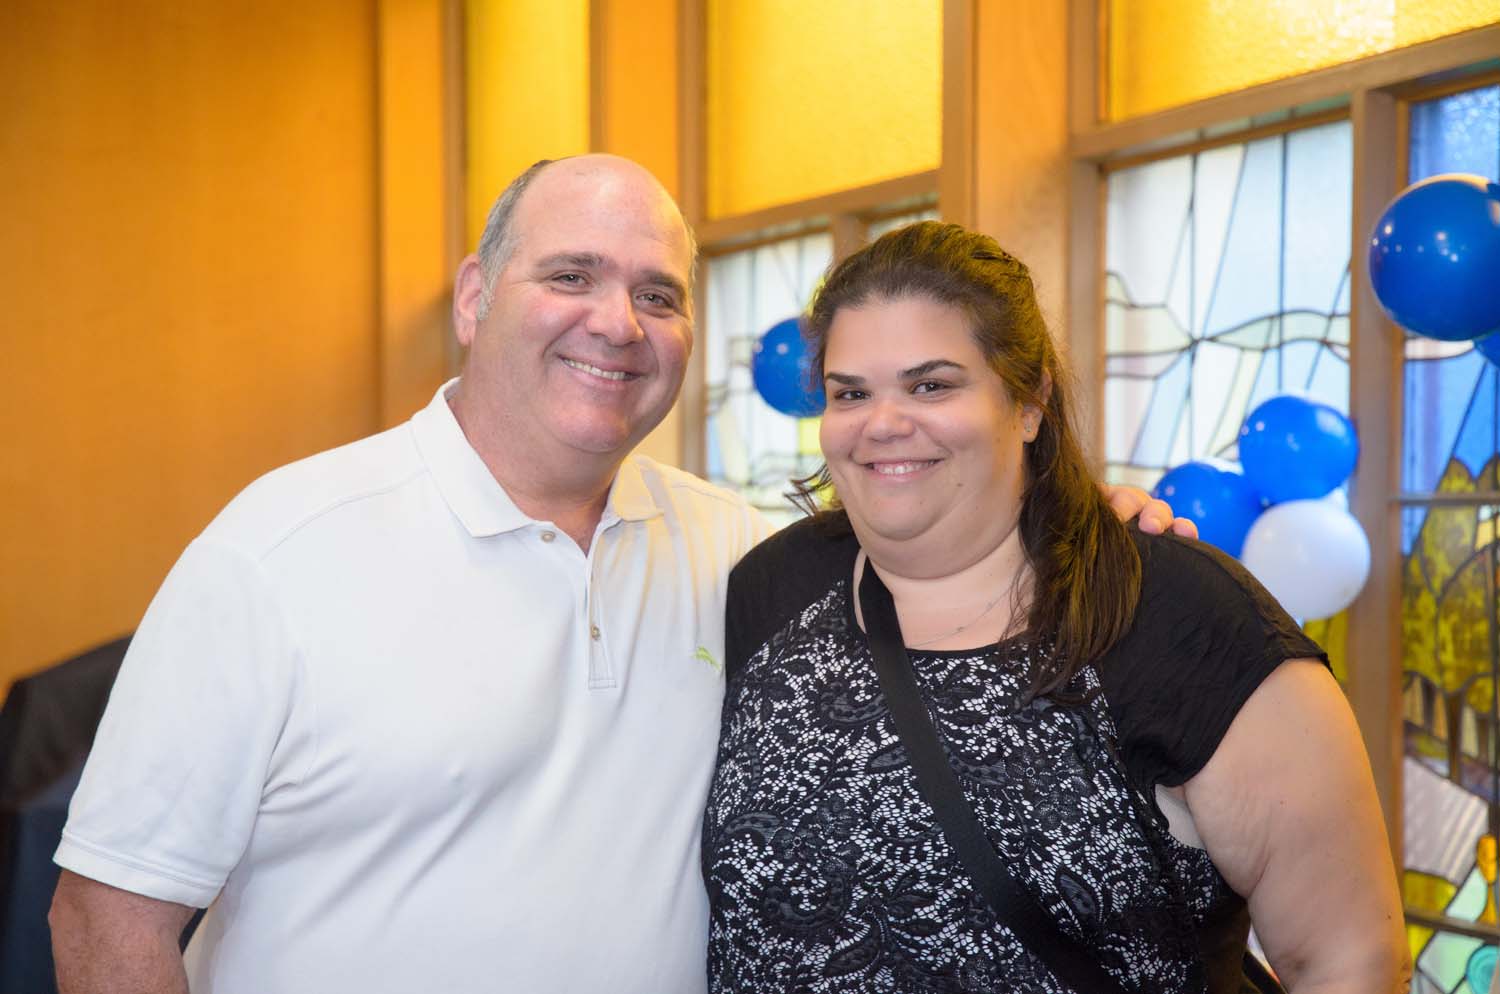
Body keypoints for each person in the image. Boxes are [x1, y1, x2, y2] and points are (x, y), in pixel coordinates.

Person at [48, 157, 1188, 994]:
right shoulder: (278, 552)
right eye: (572, 275)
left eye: (658, 294)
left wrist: (1083, 522)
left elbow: (943, 539)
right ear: (474, 297)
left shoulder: (738, 554)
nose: (618, 324)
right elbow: (106, 920)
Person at [702, 222, 1410, 993]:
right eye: (851, 393)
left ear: (1029, 400)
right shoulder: (771, 591)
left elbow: (1350, 961)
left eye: (932, 385)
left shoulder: (1177, 613)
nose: (883, 423)